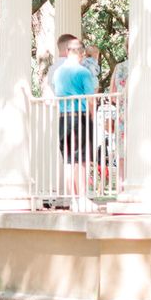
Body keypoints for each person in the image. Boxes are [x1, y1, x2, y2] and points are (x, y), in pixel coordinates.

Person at [52, 37, 95, 211]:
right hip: (80, 117)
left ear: (67, 51)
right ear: (81, 53)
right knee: (82, 159)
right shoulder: (83, 72)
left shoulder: (58, 73)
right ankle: (83, 198)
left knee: (69, 160)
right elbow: (90, 98)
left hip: (63, 118)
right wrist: (92, 116)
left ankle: (73, 199)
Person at [110, 56, 128, 186]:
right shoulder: (145, 67)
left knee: (122, 152)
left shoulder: (119, 67)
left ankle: (121, 186)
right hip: (143, 114)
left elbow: (112, 94)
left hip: (122, 113)